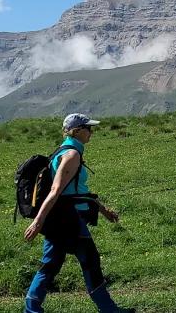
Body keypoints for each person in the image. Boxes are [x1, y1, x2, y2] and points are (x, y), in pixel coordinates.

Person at [23, 114, 127, 313]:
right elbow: (56, 190)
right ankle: (108, 309)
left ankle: (31, 309)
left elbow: (77, 191)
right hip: (69, 219)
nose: (91, 132)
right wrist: (38, 221)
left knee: (50, 264)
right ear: (77, 131)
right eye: (88, 128)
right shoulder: (71, 155)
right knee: (90, 261)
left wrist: (103, 210)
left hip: (59, 218)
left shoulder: (64, 151)